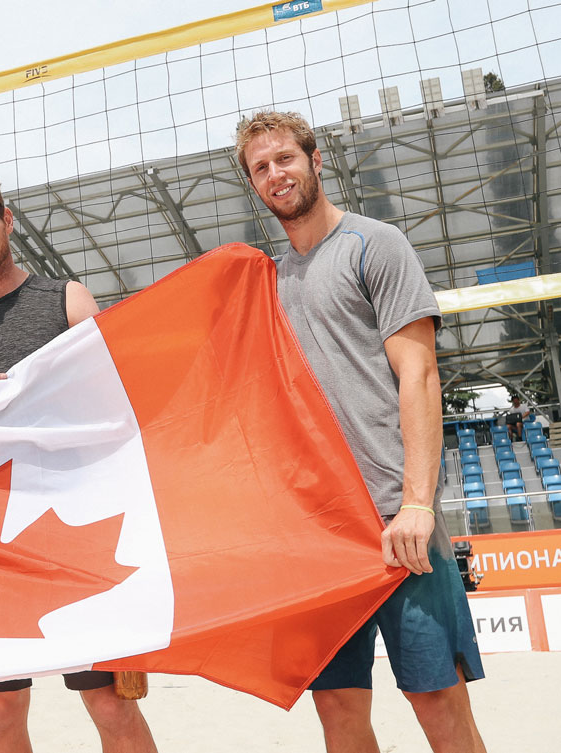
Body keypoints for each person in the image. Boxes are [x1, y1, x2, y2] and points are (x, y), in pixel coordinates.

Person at [236, 111, 487, 753]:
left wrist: (417, 504)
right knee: (340, 716)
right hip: (321, 536)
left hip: (396, 521)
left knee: (439, 707)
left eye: (285, 158)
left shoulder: (376, 244)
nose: (275, 174)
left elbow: (420, 376)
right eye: (260, 168)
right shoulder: (267, 280)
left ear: (316, 161)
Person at [0, 174, 157, 753]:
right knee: (0, 712)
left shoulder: (67, 299)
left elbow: (114, 402)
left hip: (74, 529)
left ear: (7, 219)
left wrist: (31, 399)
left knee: (109, 704)